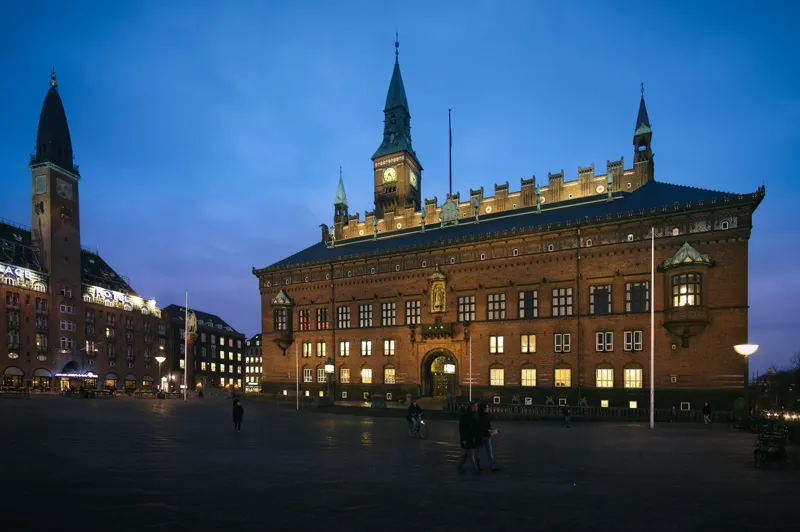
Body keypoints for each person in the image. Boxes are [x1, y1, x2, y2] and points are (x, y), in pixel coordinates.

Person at [457, 403, 481, 474]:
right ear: (472, 407)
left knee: (466, 454)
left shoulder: (474, 415)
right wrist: (464, 439)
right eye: (475, 406)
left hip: (471, 438)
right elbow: (462, 429)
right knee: (471, 455)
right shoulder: (466, 417)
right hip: (467, 439)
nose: (477, 407)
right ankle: (476, 470)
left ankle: (459, 466)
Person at [478, 404, 500, 472]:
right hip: (481, 436)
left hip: (487, 436)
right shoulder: (479, 416)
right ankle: (478, 467)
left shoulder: (487, 416)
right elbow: (479, 427)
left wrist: (492, 431)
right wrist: (488, 430)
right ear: (484, 409)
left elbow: (488, 426)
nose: (488, 409)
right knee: (479, 453)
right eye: (487, 407)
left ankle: (492, 467)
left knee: (490, 452)